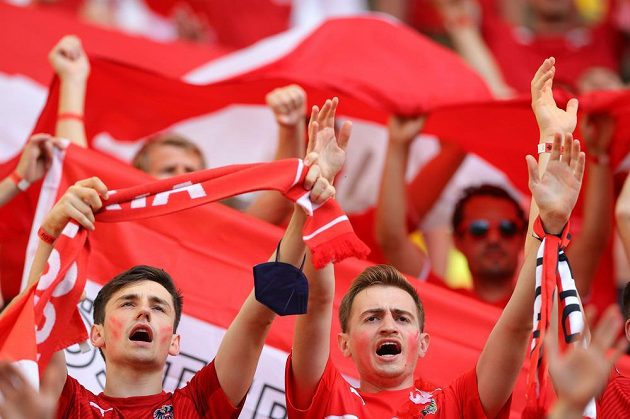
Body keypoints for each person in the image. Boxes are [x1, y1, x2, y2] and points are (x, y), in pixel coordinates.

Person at [285, 57, 585, 416]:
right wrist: (315, 196)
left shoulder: (452, 405)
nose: (388, 326)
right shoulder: (324, 395)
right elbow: (318, 301)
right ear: (344, 344)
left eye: (402, 317)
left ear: (423, 343)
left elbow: (521, 317)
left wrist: (551, 144)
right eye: (371, 317)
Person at [8, 97, 345, 417]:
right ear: (96, 335)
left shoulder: (199, 407)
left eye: (158, 307)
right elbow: (35, 325)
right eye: (127, 304)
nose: (144, 310)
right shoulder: (69, 405)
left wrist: (307, 202)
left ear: (174, 342)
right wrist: (50, 234)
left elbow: (260, 313)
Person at [376, 116, 526, 306]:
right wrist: (398, 145)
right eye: (478, 230)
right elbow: (392, 241)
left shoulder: (546, 308)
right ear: (457, 241)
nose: (494, 238)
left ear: (523, 238)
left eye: (507, 228)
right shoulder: (441, 303)